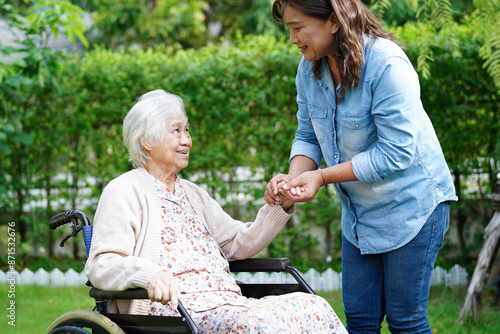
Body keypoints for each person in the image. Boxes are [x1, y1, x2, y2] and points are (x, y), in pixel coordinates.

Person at [265, 1, 458, 333]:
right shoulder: (309, 70)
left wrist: (323, 176)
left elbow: (396, 153)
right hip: (359, 217)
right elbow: (307, 135)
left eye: (298, 28)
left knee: (406, 322)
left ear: (333, 22)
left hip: (412, 208)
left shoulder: (387, 65)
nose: (293, 39)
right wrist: (293, 181)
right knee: (360, 322)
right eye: (289, 29)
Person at [85, 89, 347, 333]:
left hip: (226, 302)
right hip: (172, 310)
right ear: (146, 141)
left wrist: (282, 203)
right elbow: (101, 265)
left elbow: (238, 242)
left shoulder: (192, 193)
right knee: (249, 323)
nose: (187, 140)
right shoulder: (123, 190)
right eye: (176, 131)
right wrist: (150, 274)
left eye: (187, 130)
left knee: (314, 306)